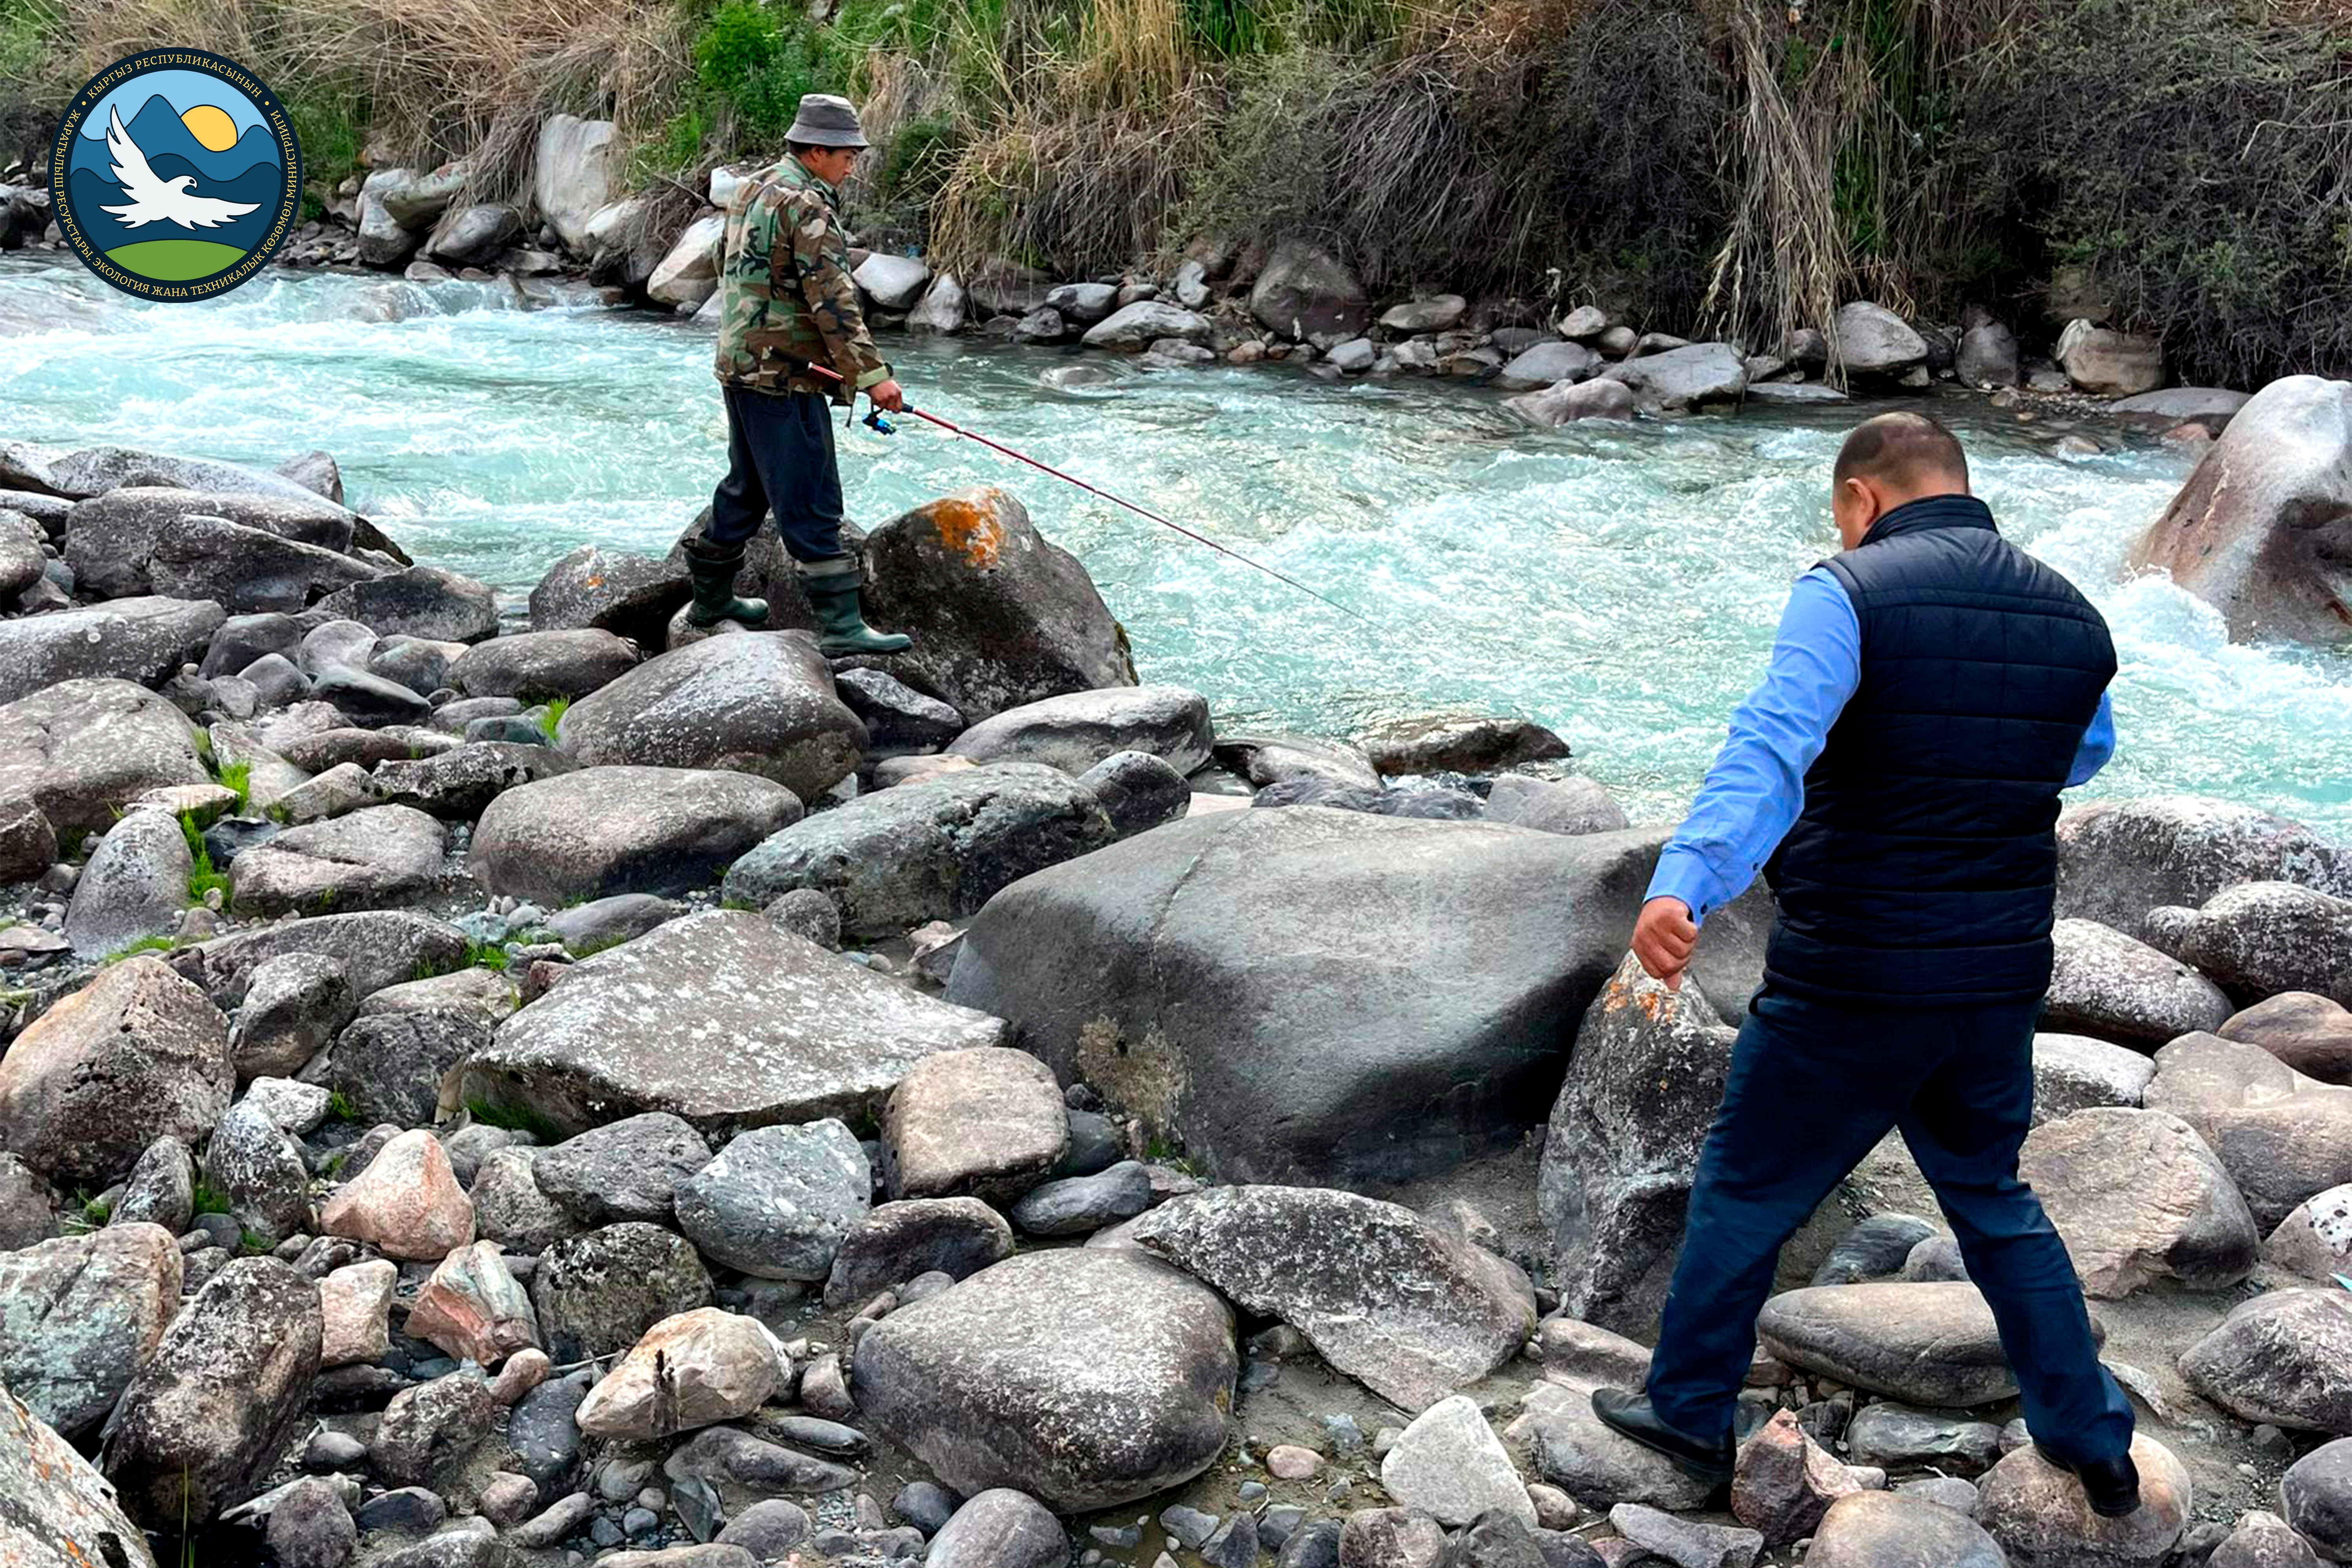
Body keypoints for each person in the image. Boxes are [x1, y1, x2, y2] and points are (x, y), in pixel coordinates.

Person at [1593, 411, 2143, 1518]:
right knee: (1993, 1196)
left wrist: (1685, 880)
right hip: (1993, 981)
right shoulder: (2074, 617)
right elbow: (2084, 751)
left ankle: (1691, 1411)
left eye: (1842, 517)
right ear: (1962, 484)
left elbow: (1772, 747)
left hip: (1854, 974)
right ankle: (2096, 1446)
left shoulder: (1846, 591)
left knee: (1748, 1188)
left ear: (1864, 502)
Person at [688, 92, 913, 656]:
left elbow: (726, 268)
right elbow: (834, 302)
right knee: (812, 493)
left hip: (739, 362)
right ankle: (840, 627)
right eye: (846, 154)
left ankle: (711, 600)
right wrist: (873, 378)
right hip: (786, 374)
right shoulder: (809, 205)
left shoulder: (752, 189)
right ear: (815, 151)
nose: (852, 164)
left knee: (750, 485)